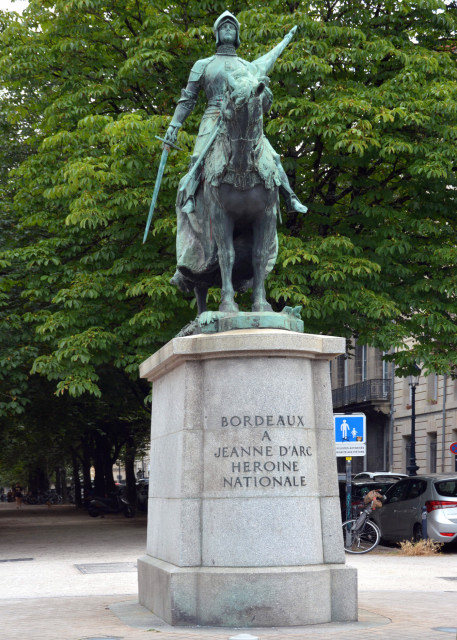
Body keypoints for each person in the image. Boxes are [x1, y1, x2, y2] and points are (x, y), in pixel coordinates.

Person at [163, 10, 308, 217]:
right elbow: (188, 100)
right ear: (217, 33)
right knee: (198, 155)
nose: (228, 29)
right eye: (224, 26)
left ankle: (290, 196)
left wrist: (265, 94)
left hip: (242, 119)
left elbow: (262, 101)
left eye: (232, 26)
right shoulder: (203, 65)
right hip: (214, 114)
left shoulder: (247, 67)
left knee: (272, 155)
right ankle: (190, 197)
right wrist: (174, 125)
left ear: (238, 33)